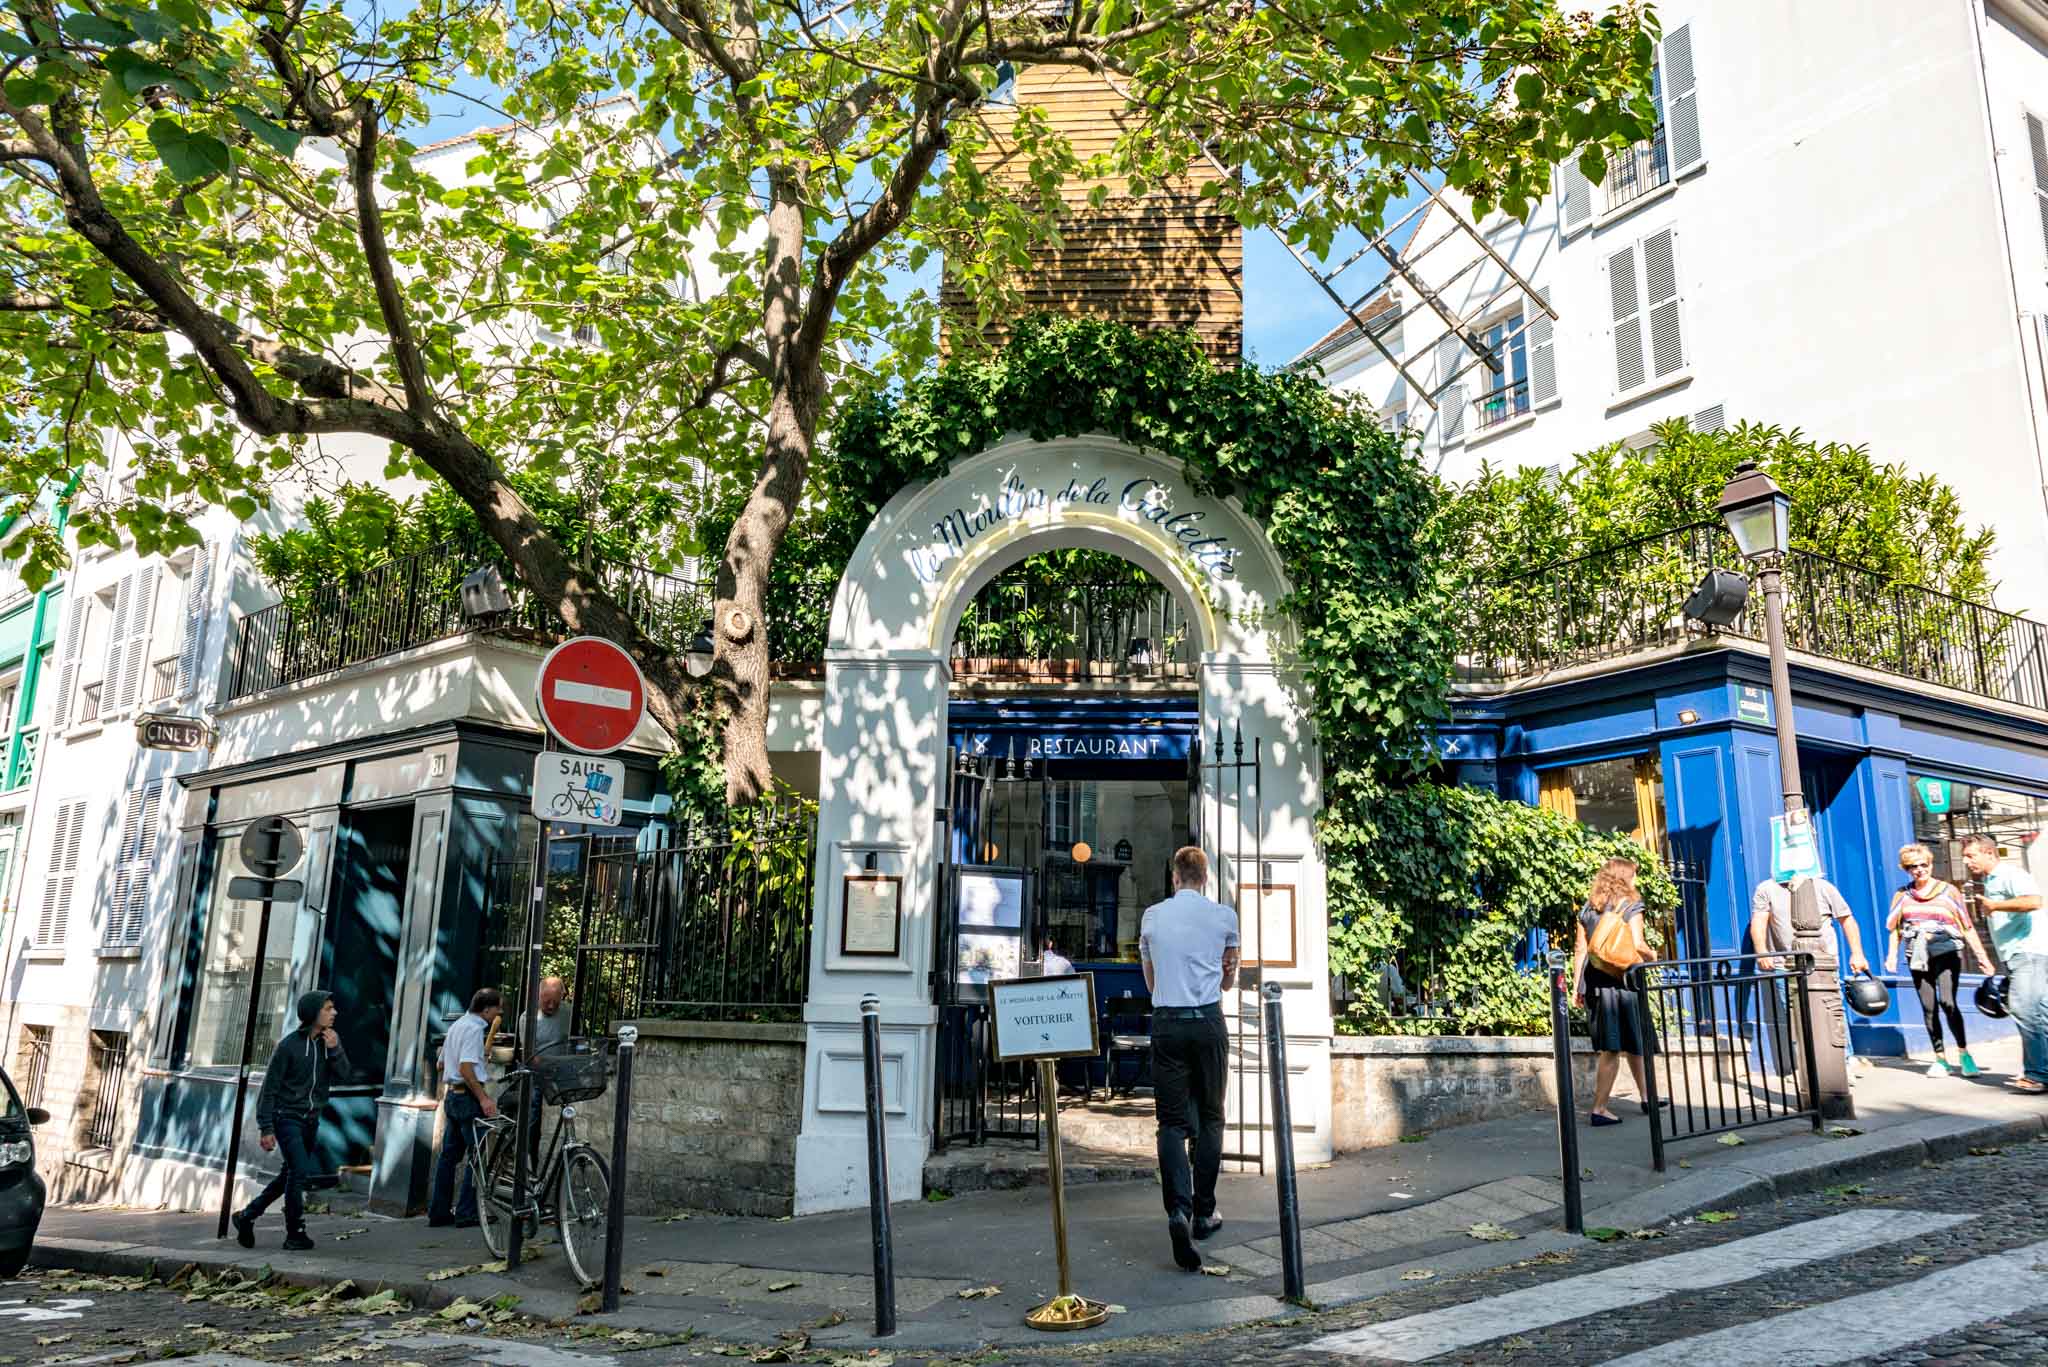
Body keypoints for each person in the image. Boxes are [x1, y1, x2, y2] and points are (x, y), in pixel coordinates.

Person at [1139, 845, 1239, 1273]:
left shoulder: (1151, 917)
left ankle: (1176, 1211)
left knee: (1172, 1123)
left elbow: (1150, 980)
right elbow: (1230, 976)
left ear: (1175, 877)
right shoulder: (1224, 917)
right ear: (1205, 878)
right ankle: (1204, 1212)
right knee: (1212, 1117)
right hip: (1207, 1022)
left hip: (1168, 1023)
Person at [232, 991, 350, 1251]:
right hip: (286, 1117)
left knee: (289, 1173)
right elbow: (269, 1088)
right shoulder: (289, 1046)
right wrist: (266, 1127)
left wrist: (335, 1049)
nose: (334, 1013)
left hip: (311, 1119)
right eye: (329, 1008)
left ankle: (247, 1216)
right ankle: (295, 1232)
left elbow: (344, 1075)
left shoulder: (328, 1042)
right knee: (299, 1172)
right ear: (313, 1013)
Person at [1885, 843, 1990, 1077]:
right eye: (1913, 866)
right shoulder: (1902, 895)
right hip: (1918, 957)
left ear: (1931, 865)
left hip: (1946, 953)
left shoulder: (1949, 891)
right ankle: (1940, 1058)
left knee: (1948, 1002)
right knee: (1928, 1007)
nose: (1920, 870)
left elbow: (1967, 926)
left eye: (1924, 865)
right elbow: (1895, 929)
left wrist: (1982, 957)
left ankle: (1964, 1054)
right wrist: (1891, 955)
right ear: (1906, 869)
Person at [1571, 857, 1656, 1126]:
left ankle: (1647, 1097)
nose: (1636, 880)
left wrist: (1576, 987)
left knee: (1631, 1042)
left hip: (1595, 982)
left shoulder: (1587, 908)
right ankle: (1599, 1109)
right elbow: (1639, 944)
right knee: (1614, 1049)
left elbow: (1580, 950)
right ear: (1624, 878)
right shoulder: (1631, 905)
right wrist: (1653, 955)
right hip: (1623, 981)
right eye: (1634, 875)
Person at [1962, 833, 2046, 1093]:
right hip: (2022, 954)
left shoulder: (2009, 874)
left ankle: (2038, 1075)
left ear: (1989, 852)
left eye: (1970, 855)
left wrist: (1996, 906)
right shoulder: (1991, 879)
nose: (1966, 861)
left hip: (2028, 952)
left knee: (2024, 1009)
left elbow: (2034, 901)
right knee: (2040, 1012)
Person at [428, 987, 502, 1228]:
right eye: (497, 1008)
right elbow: (466, 1068)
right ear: (487, 1009)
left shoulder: (458, 1025)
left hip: (452, 1097)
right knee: (478, 1156)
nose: (499, 1012)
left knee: (448, 1157)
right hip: (468, 1098)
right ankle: (467, 1211)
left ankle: (438, 1212)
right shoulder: (474, 1029)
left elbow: (441, 1064)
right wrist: (483, 1098)